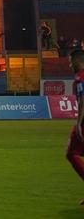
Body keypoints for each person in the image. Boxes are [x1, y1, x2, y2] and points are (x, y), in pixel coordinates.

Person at [65, 49, 84, 200]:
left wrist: (79, 123)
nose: (70, 65)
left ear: (78, 61)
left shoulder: (80, 77)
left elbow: (83, 100)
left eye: (71, 61)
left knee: (71, 154)